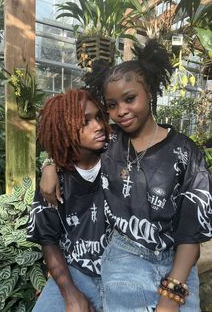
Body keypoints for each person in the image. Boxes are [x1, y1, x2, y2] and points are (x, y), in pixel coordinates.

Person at [40, 40, 212, 312]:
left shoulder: (186, 153)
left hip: (177, 260)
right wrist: (49, 164)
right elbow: (68, 138)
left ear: (151, 92)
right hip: (124, 259)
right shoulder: (109, 143)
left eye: (130, 98)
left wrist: (171, 295)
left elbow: (190, 233)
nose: (120, 111)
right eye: (111, 105)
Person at [27, 88, 111, 312]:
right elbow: (48, 240)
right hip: (76, 272)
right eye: (85, 122)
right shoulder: (54, 183)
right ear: (64, 130)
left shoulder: (119, 159)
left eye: (99, 116)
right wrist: (70, 293)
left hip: (122, 269)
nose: (99, 126)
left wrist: (48, 163)